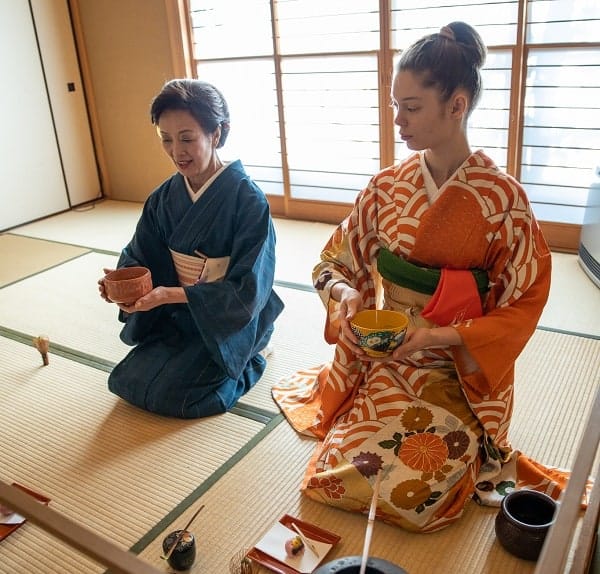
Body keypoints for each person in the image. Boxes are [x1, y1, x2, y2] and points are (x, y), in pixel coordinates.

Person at [272, 22, 575, 532]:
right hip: (389, 360)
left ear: (456, 105)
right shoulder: (386, 187)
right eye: (395, 105)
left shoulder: (504, 201)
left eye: (411, 108)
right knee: (336, 479)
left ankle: (469, 447)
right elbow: (331, 262)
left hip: (459, 368)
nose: (398, 121)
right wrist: (346, 294)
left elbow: (523, 302)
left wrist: (435, 336)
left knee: (420, 495)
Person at [99, 78, 284, 419]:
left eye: (187, 138)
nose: (176, 151)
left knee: (181, 399)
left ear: (216, 134)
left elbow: (248, 290)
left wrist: (170, 295)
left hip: (229, 319)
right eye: (166, 139)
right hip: (178, 313)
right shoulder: (163, 198)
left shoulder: (248, 200)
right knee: (126, 383)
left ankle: (253, 357)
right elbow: (141, 254)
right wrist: (124, 284)